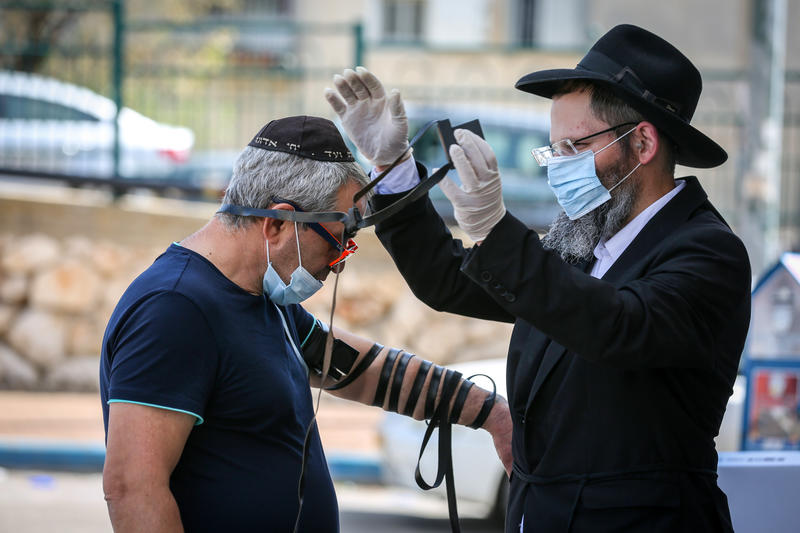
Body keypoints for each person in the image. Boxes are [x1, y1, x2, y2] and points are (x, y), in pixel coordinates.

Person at [326, 24, 751, 532]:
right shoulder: (582, 243)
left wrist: (497, 230)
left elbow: (618, 326)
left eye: (574, 147)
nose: (558, 168)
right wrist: (393, 168)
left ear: (642, 143)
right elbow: (447, 280)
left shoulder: (706, 251)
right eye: (554, 150)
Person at [99, 115, 513, 533]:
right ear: (278, 223)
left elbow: (359, 369)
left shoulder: (259, 296)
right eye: (338, 238)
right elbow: (133, 488)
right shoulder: (175, 309)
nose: (339, 263)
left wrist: (490, 412)